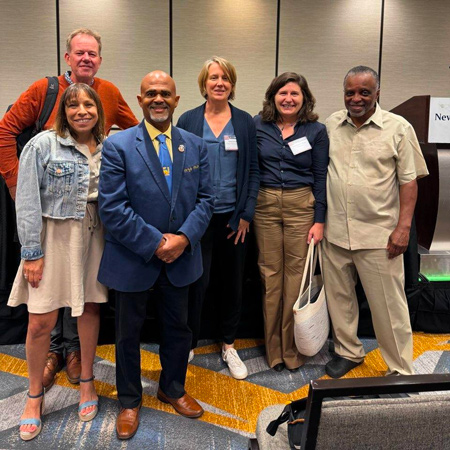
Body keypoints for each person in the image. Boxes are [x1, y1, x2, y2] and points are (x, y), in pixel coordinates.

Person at [0, 28, 138, 390]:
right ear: (68, 58)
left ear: (100, 59)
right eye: (79, 53)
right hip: (51, 212)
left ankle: (75, 353)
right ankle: (54, 353)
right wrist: (17, 184)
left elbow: (135, 133)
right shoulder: (43, 91)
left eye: (92, 53)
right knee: (47, 300)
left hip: (92, 219)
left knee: (86, 298)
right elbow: (5, 130)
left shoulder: (108, 93)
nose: (86, 59)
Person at [98, 70, 214, 439]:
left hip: (181, 256)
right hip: (134, 257)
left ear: (177, 100)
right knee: (127, 334)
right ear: (140, 100)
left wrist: (181, 239)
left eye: (165, 93)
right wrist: (155, 243)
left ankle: (172, 388)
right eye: (151, 93)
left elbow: (207, 201)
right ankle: (130, 401)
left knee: (178, 330)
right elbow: (112, 208)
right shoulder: (118, 146)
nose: (159, 99)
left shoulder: (195, 145)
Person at [8, 83, 108, 440]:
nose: (82, 110)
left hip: (94, 237)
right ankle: (34, 396)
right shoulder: (42, 145)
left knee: (89, 311)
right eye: (73, 105)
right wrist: (31, 252)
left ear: (98, 109)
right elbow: (28, 200)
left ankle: (86, 383)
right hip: (53, 238)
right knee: (41, 321)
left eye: (88, 105)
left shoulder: (108, 147)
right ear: (63, 111)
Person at [322, 66, 428, 378]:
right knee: (340, 301)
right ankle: (348, 352)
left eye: (364, 92)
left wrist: (403, 227)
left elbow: (410, 182)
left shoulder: (398, 128)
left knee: (389, 308)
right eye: (350, 92)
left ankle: (399, 366)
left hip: (379, 237)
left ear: (377, 94)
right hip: (336, 232)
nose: (356, 98)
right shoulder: (330, 124)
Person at [177, 56, 259, 379]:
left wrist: (246, 213)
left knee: (232, 284)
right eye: (213, 77)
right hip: (198, 219)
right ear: (204, 84)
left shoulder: (243, 122)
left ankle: (228, 344)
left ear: (232, 84)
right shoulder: (187, 120)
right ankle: (190, 341)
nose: (219, 82)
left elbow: (253, 170)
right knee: (196, 283)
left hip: (233, 220)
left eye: (225, 77)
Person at [253, 72, 329, 372]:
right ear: (273, 96)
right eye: (282, 93)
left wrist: (320, 218)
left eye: (294, 94)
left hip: (302, 207)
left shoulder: (316, 131)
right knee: (270, 278)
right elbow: (251, 169)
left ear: (304, 98)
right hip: (265, 206)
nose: (288, 99)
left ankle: (291, 348)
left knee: (296, 281)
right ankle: (273, 349)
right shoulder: (257, 125)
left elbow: (321, 176)